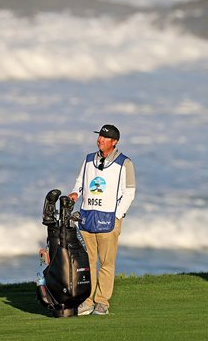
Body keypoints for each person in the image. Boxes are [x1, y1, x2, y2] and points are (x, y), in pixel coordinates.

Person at [68, 124, 136, 316]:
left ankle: (102, 301)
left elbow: (129, 192)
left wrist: (117, 216)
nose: (100, 140)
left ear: (114, 143)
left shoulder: (125, 163)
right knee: (88, 262)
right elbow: (81, 182)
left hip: (109, 219)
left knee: (106, 263)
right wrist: (75, 193)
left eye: (105, 138)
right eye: (99, 137)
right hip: (88, 216)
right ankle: (87, 301)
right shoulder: (89, 159)